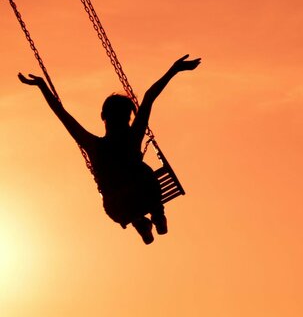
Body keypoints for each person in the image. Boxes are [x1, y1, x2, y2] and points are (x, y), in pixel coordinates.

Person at [18, 54, 201, 244]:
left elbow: (63, 115)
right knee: (144, 174)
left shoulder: (94, 145)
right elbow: (149, 96)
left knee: (122, 190)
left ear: (102, 115)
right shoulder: (133, 135)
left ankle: (141, 223)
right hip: (146, 194)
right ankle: (157, 215)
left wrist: (42, 87)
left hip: (118, 208)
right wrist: (174, 70)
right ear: (129, 118)